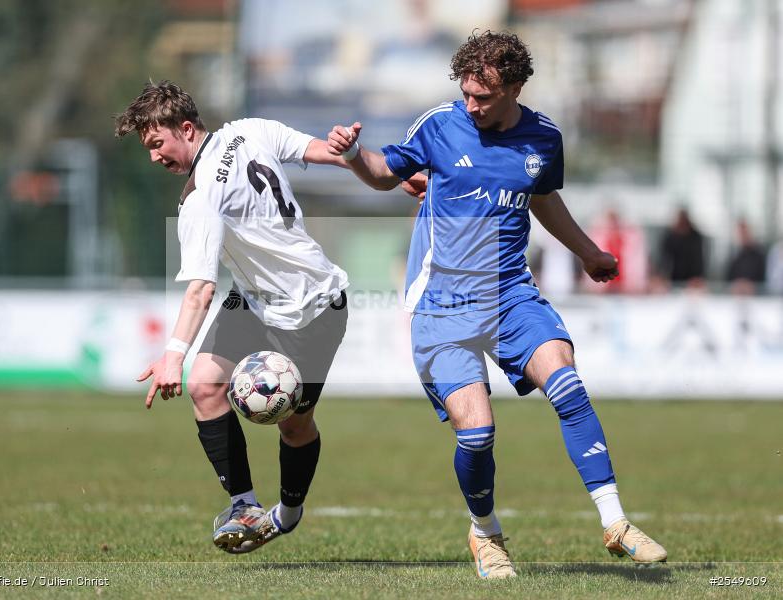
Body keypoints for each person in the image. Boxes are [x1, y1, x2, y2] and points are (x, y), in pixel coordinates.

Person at [327, 30, 666, 579]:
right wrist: (352, 155)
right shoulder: (440, 125)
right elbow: (385, 174)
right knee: (478, 432)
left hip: (510, 293)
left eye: (483, 97)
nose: (471, 105)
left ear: (514, 88)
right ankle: (485, 533)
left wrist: (587, 253)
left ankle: (616, 521)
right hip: (442, 304)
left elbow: (542, 198)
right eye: (466, 93)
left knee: (567, 382)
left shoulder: (544, 138)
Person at [115, 80, 351, 554]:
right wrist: (388, 171)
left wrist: (172, 356)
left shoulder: (201, 196)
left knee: (293, 425)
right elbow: (329, 151)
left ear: (186, 129)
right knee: (206, 385)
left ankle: (288, 513)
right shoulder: (250, 129)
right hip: (255, 298)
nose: (154, 157)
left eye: (157, 143)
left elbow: (201, 289)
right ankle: (244, 505)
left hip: (313, 308)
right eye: (148, 148)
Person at [659, 208, 707, 290]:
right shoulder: (670, 237)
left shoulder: (695, 237)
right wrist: (663, 276)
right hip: (672, 280)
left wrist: (697, 277)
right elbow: (664, 259)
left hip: (691, 282)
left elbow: (699, 259)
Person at [726, 219, 766, 295]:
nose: (742, 236)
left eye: (744, 232)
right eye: (740, 233)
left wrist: (751, 286)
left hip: (757, 297)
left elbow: (763, 279)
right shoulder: (735, 255)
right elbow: (728, 278)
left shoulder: (759, 255)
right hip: (737, 296)